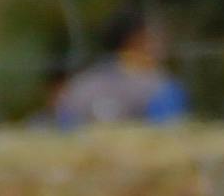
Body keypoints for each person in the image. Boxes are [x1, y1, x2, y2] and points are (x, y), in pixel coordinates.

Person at [50, 9, 189, 126]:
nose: (163, 44)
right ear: (134, 39)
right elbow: (168, 131)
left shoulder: (83, 83)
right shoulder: (161, 86)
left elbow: (65, 126)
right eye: (155, 37)